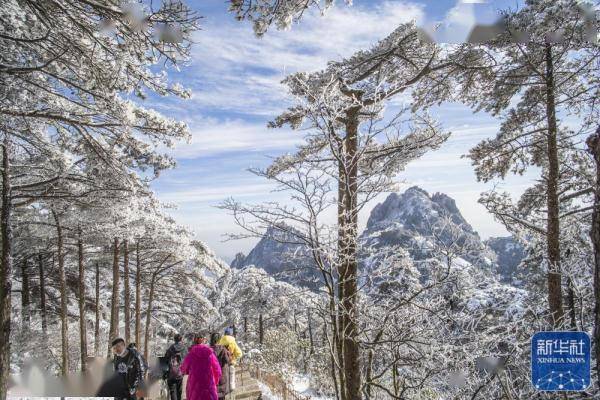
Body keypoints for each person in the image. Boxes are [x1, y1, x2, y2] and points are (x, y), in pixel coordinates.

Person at [180, 332, 222, 400]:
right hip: (208, 384)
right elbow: (217, 370)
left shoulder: (191, 354)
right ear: (203, 341)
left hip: (194, 384)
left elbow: (183, 369)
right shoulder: (210, 354)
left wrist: (187, 371)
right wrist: (215, 381)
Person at [164, 333, 187, 400]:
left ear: (174, 339)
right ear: (181, 339)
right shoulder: (184, 348)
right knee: (179, 391)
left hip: (171, 372)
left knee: (172, 391)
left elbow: (166, 357)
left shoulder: (171, 347)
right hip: (180, 372)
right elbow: (187, 358)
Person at [210, 333, 232, 400]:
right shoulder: (223, 349)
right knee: (222, 396)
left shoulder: (209, 350)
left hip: (212, 376)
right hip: (222, 375)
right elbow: (228, 361)